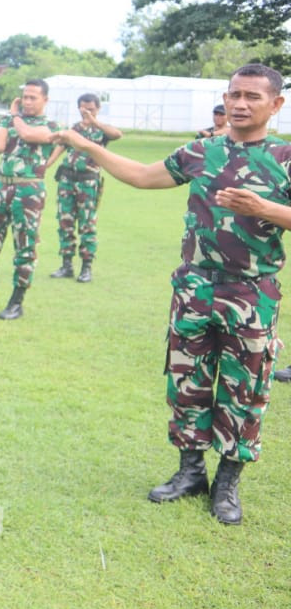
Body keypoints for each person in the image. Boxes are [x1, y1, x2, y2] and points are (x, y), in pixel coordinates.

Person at [53, 62, 290, 526]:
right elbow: (143, 175)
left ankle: (228, 483)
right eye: (234, 94)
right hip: (194, 288)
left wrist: (266, 209)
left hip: (252, 293)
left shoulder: (284, 158)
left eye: (252, 97)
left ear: (275, 105)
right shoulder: (203, 151)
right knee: (187, 383)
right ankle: (190, 472)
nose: (240, 104)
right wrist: (86, 145)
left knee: (245, 390)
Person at [0, 80, 62, 319]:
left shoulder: (50, 126)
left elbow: (28, 134)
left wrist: (15, 114)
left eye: (32, 97)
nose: (27, 101)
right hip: (1, 187)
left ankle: (16, 301)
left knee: (25, 246)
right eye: (24, 96)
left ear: (45, 100)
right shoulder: (8, 121)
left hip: (29, 190)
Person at [49, 93, 122, 282]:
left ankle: (86, 267)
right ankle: (66, 265)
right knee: (65, 222)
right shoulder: (73, 130)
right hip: (67, 180)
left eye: (90, 109)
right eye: (83, 108)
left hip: (88, 181)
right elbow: (58, 150)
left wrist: (94, 121)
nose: (86, 112)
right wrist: (44, 166)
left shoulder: (101, 131)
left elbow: (117, 134)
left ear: (98, 109)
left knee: (87, 224)